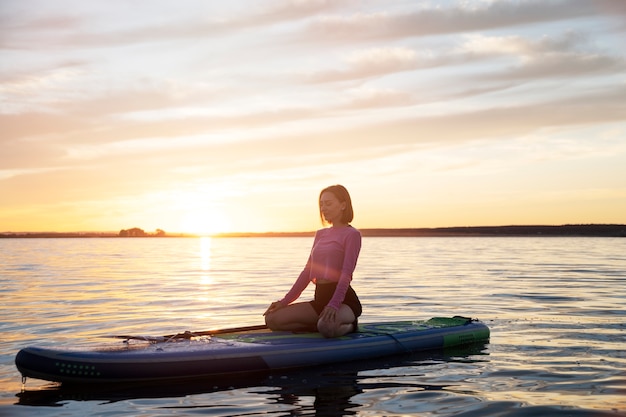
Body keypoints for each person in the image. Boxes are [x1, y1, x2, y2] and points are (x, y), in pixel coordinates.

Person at [264, 184, 362, 338]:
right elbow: (307, 272)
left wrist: (334, 304)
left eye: (328, 204)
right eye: (321, 204)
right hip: (320, 298)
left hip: (344, 301)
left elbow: (346, 274)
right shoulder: (321, 234)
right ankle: (319, 323)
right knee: (272, 319)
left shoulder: (351, 234)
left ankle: (350, 326)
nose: (324, 208)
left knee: (326, 327)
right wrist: (284, 302)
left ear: (343, 205)